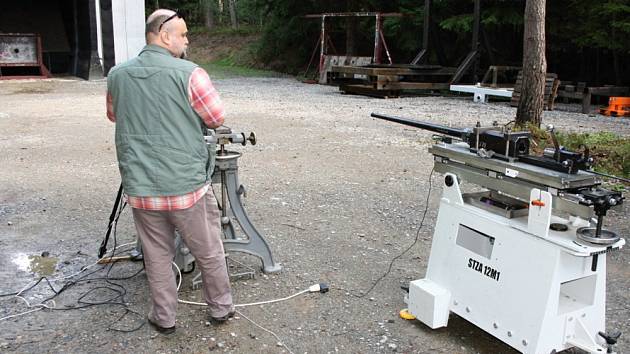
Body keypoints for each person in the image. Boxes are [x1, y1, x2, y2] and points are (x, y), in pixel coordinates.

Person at [106, 9, 234, 335]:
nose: (187, 40)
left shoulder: (117, 75)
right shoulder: (191, 74)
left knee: (157, 257)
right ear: (165, 36)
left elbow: (113, 115)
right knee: (208, 251)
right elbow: (216, 118)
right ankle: (220, 309)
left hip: (141, 186)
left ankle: (164, 318)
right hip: (186, 187)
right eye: (184, 34)